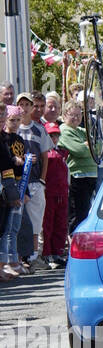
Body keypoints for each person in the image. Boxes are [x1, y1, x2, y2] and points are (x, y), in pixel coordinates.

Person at [16, 92, 52, 270]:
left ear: (31, 107)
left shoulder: (39, 129)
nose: (24, 108)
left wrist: (43, 180)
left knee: (36, 220)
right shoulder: (12, 129)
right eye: (20, 105)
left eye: (27, 105)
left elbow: (45, 156)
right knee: (18, 221)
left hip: (35, 181)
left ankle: (34, 256)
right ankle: (19, 257)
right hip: (17, 183)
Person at [60, 100, 98, 236]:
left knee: (88, 212)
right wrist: (87, 146)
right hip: (77, 177)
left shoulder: (82, 130)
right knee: (77, 215)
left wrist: (88, 146)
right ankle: (75, 244)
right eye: (72, 115)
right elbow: (79, 151)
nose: (76, 118)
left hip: (91, 175)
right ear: (64, 116)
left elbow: (98, 147)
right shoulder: (64, 131)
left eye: (78, 115)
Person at [0, 106, 27, 280]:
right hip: (4, 183)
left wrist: (12, 192)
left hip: (6, 184)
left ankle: (3, 265)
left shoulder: (5, 140)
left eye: (2, 118)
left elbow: (6, 167)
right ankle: (6, 263)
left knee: (5, 226)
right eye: (3, 118)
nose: (2, 122)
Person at [42, 121, 69, 266]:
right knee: (48, 225)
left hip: (62, 193)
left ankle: (57, 252)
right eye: (51, 135)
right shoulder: (45, 153)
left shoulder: (62, 152)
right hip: (49, 194)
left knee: (61, 224)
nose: (54, 138)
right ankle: (46, 254)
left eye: (56, 135)